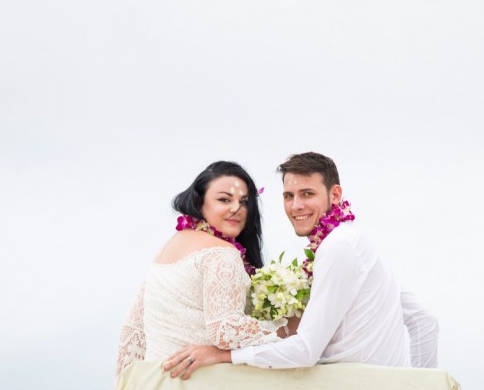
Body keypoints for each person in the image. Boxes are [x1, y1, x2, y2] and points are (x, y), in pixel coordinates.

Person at [163, 151, 438, 378]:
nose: (296, 206)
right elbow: (425, 321)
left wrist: (223, 355)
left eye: (307, 194)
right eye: (288, 196)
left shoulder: (339, 248)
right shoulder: (353, 243)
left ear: (335, 195)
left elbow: (306, 351)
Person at [115, 160, 287, 378]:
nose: (236, 209)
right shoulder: (221, 253)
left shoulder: (168, 249)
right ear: (199, 202)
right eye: (224, 199)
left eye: (244, 202)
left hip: (154, 388)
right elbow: (225, 331)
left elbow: (132, 331)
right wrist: (287, 329)